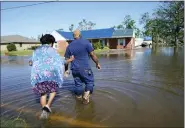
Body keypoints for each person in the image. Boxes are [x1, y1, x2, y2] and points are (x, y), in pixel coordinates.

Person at [29, 34, 74, 119]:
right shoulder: (52, 50)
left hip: (39, 76)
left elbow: (32, 62)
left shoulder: (36, 51)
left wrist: (32, 63)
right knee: (53, 90)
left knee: (43, 94)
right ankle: (48, 106)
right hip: (51, 75)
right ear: (51, 42)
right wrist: (70, 60)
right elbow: (60, 61)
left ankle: (44, 110)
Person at [64, 29, 101, 104]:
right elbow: (92, 55)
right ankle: (86, 94)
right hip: (85, 68)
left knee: (78, 85)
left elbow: (66, 60)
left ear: (73, 36)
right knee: (90, 82)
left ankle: (78, 98)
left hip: (74, 69)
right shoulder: (86, 42)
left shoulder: (69, 46)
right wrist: (97, 63)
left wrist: (66, 70)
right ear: (80, 35)